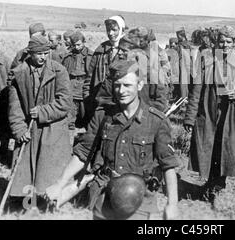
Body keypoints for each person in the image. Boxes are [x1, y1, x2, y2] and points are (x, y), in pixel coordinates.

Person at [45, 59, 179, 220]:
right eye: (117, 85)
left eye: (127, 85)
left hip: (140, 201)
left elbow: (168, 165)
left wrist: (172, 204)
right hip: (105, 196)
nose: (121, 91)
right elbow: (83, 153)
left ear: (140, 85)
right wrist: (60, 183)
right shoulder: (103, 116)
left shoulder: (156, 121)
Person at [183, 26, 235, 195]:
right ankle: (210, 184)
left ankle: (218, 186)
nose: (224, 45)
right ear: (216, 43)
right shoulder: (208, 61)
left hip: (230, 117)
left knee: (224, 151)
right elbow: (196, 90)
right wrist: (189, 118)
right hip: (208, 115)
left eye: (228, 42)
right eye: (221, 42)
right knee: (208, 150)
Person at [7, 34, 73, 203]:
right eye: (39, 54)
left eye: (46, 53)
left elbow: (64, 102)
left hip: (54, 128)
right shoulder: (19, 74)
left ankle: (51, 203)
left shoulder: (59, 71)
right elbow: (15, 107)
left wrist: (43, 112)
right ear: (31, 53)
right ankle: (25, 203)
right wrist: (19, 129)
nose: (43, 57)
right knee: (26, 172)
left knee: (49, 170)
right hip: (29, 130)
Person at [83, 16, 126, 118]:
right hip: (100, 102)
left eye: (114, 30)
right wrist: (87, 96)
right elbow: (90, 77)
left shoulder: (130, 51)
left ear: (122, 30)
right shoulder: (101, 50)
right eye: (108, 30)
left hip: (121, 103)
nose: (110, 33)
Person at [62, 31, 94, 129]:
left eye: (79, 44)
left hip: (85, 84)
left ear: (84, 42)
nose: (76, 47)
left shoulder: (91, 55)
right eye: (74, 45)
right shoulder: (68, 56)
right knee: (70, 111)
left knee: (86, 112)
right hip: (72, 84)